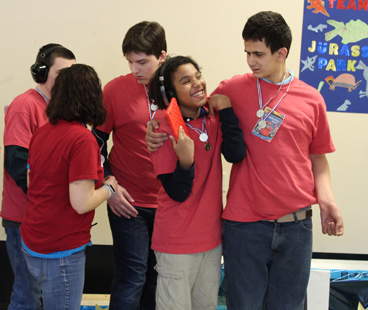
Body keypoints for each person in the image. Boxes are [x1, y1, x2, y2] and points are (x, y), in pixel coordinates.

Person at [145, 11, 344, 310]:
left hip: (296, 226)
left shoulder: (312, 99)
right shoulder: (231, 89)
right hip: (244, 227)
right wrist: (154, 126)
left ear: (281, 53)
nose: (251, 61)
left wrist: (328, 201)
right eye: (247, 53)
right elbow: (186, 106)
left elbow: (318, 159)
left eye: (258, 54)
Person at [148, 56, 245, 310]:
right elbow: (177, 192)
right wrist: (186, 161)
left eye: (198, 75)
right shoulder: (162, 127)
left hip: (212, 241)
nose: (197, 83)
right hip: (176, 243)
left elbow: (235, 154)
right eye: (185, 81)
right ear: (170, 93)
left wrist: (226, 111)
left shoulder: (211, 117)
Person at [20, 64, 118, 310]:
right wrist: (110, 188)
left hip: (33, 241)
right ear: (91, 97)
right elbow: (81, 203)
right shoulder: (82, 139)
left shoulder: (43, 132)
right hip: (60, 250)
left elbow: (32, 182)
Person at [92, 21, 167, 310]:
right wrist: (108, 184)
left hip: (168, 203)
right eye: (130, 62)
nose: (135, 69)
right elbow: (96, 141)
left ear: (162, 56)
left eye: (142, 62)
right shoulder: (114, 90)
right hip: (128, 201)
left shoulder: (178, 88)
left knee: (158, 278)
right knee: (131, 276)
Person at [1, 44, 76, 310]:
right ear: (41, 73)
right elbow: (16, 162)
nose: (69, 81)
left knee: (40, 294)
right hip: (24, 217)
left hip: (46, 218)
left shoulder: (57, 111)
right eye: (62, 73)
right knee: (26, 294)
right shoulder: (25, 105)